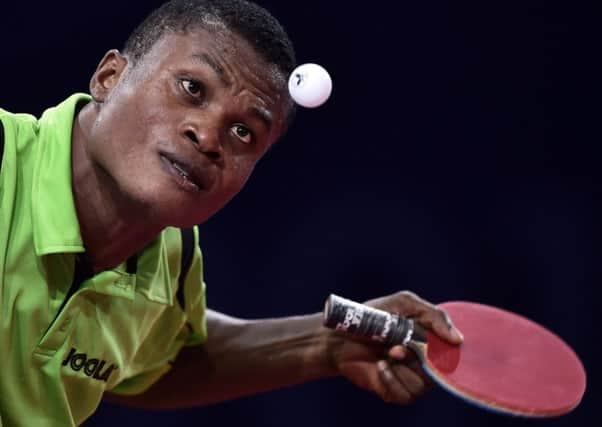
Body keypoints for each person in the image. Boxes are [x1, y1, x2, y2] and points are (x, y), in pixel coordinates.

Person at [0, 0, 464, 425]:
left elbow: (160, 361)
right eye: (192, 89)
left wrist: (326, 343)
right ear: (109, 77)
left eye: (243, 132)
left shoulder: (171, 261)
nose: (207, 136)